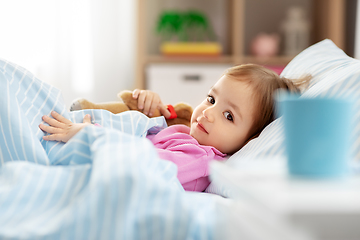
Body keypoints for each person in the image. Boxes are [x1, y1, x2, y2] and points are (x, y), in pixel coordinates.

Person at [39, 64, 310, 191]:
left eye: (229, 115)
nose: (208, 113)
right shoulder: (185, 133)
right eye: (212, 99)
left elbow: (146, 164)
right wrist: (146, 108)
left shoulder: (202, 159)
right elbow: (140, 134)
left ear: (251, 139)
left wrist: (92, 135)